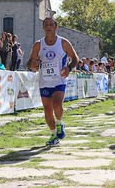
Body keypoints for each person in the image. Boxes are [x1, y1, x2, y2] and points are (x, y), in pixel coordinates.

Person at [26, 17, 79, 146]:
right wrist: (32, 65)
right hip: (44, 81)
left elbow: (75, 59)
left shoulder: (63, 43)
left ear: (56, 27)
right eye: (46, 24)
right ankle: (53, 134)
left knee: (57, 104)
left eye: (51, 24)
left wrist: (69, 67)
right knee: (47, 109)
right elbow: (29, 63)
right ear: (43, 27)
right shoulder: (38, 45)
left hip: (59, 80)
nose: (49, 26)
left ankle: (60, 122)